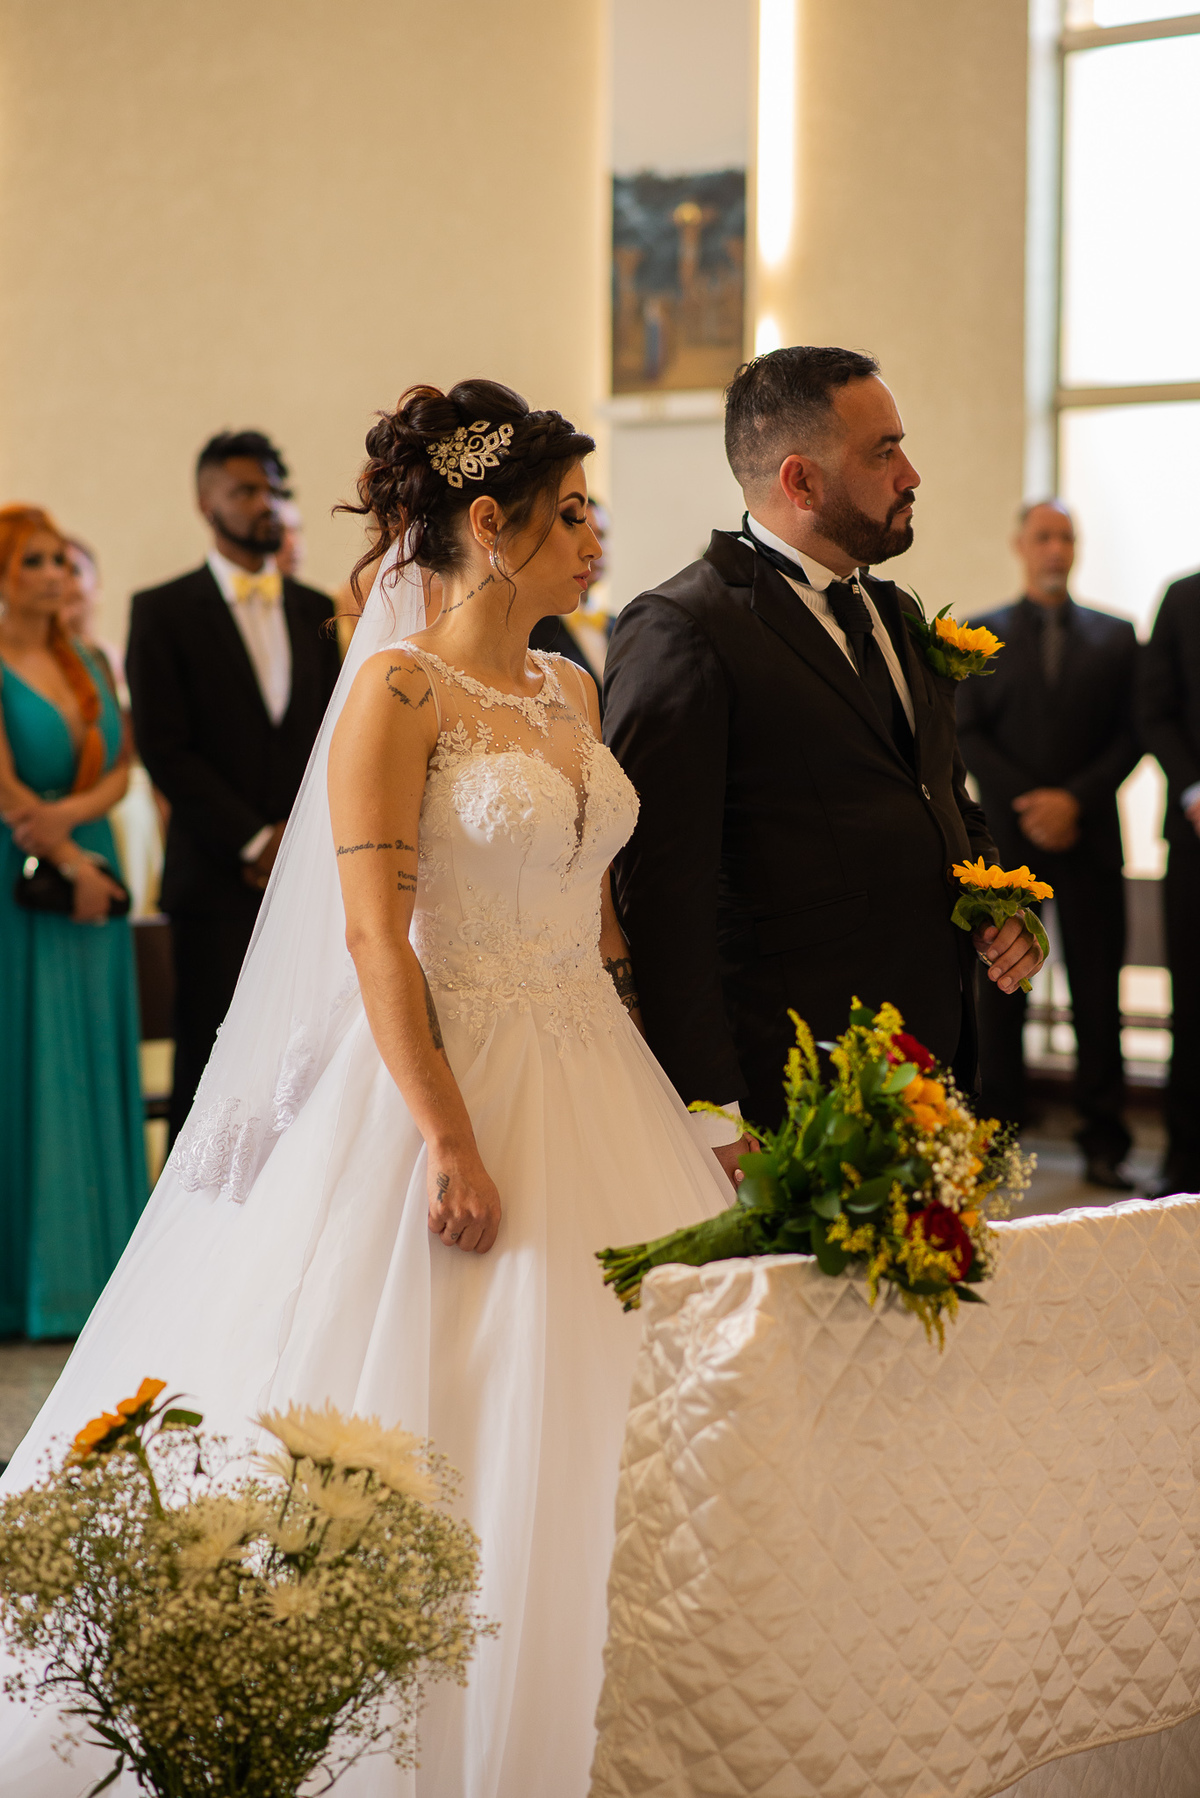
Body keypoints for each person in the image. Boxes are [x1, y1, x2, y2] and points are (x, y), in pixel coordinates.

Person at [0, 382, 727, 1797]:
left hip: (598, 1066)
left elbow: (603, 922)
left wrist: (675, 1085)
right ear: (488, 524)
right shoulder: (398, 693)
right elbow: (373, 938)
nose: (598, 537)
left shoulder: (572, 685)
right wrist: (447, 1134)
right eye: (573, 512)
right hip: (454, 1068)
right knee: (468, 1383)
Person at [603, 345, 1041, 1171]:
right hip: (791, 1078)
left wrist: (998, 904)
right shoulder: (683, 629)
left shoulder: (893, 610)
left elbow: (940, 796)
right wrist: (708, 1111)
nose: (911, 475)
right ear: (800, 482)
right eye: (884, 452)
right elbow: (660, 897)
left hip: (930, 1059)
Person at [126, 431, 341, 1139]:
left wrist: (296, 842)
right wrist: (253, 840)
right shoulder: (162, 610)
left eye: (275, 490)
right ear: (206, 502)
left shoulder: (315, 609)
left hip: (305, 878)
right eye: (246, 491)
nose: (265, 504)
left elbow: (331, 739)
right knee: (209, 1063)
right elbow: (164, 747)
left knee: (302, 1064)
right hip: (214, 881)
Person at [956, 500, 1139, 1189]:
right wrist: (1033, 803)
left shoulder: (1117, 638)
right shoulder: (983, 636)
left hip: (1091, 837)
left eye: (1066, 537)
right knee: (1002, 992)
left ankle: (1104, 1142)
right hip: (1008, 844)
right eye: (1043, 537)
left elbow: (1134, 732)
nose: (1055, 549)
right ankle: (997, 1134)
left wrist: (1073, 801)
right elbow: (968, 733)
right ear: (1020, 546)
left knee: (1097, 993)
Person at [0, 505, 147, 1339]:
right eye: (34, 562)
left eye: (60, 560)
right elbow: (5, 787)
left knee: (91, 1050)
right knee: (30, 1056)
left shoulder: (88, 659)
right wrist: (63, 855)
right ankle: (36, 1286)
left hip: (90, 859)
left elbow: (121, 769)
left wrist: (78, 839)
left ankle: (104, 1275)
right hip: (22, 874)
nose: (56, 575)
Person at [1138, 563, 1200, 1198]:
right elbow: (1153, 710)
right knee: (1195, 1004)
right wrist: (1193, 789)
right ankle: (1187, 1159)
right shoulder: (1184, 599)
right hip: (1197, 835)